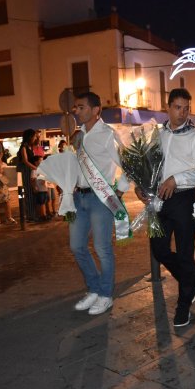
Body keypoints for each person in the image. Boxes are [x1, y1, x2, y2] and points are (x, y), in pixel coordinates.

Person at [136, 88, 195, 327]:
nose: (183, 112)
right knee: (159, 249)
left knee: (186, 253)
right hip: (158, 199)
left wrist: (176, 179)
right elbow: (147, 163)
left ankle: (183, 305)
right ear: (168, 107)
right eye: (178, 107)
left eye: (187, 108)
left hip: (184, 198)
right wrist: (141, 185)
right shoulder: (157, 134)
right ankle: (193, 282)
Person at [69, 91, 130, 315]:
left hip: (100, 198)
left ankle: (105, 295)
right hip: (78, 197)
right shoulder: (79, 135)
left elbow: (127, 165)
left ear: (96, 110)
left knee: (103, 249)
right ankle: (94, 289)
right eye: (76, 107)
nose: (77, 110)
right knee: (76, 247)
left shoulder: (107, 135)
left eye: (81, 107)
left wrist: (119, 192)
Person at [18, 129, 38, 221]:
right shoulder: (24, 147)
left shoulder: (30, 147)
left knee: (32, 192)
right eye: (34, 136)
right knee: (27, 192)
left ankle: (32, 214)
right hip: (25, 171)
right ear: (30, 137)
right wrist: (35, 168)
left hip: (30, 170)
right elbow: (25, 161)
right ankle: (29, 215)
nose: (35, 138)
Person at [31, 156, 49, 221]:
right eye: (40, 160)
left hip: (44, 188)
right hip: (39, 189)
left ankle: (44, 215)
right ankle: (42, 215)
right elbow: (32, 180)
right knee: (40, 202)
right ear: (36, 162)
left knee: (43, 202)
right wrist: (34, 187)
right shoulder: (34, 170)